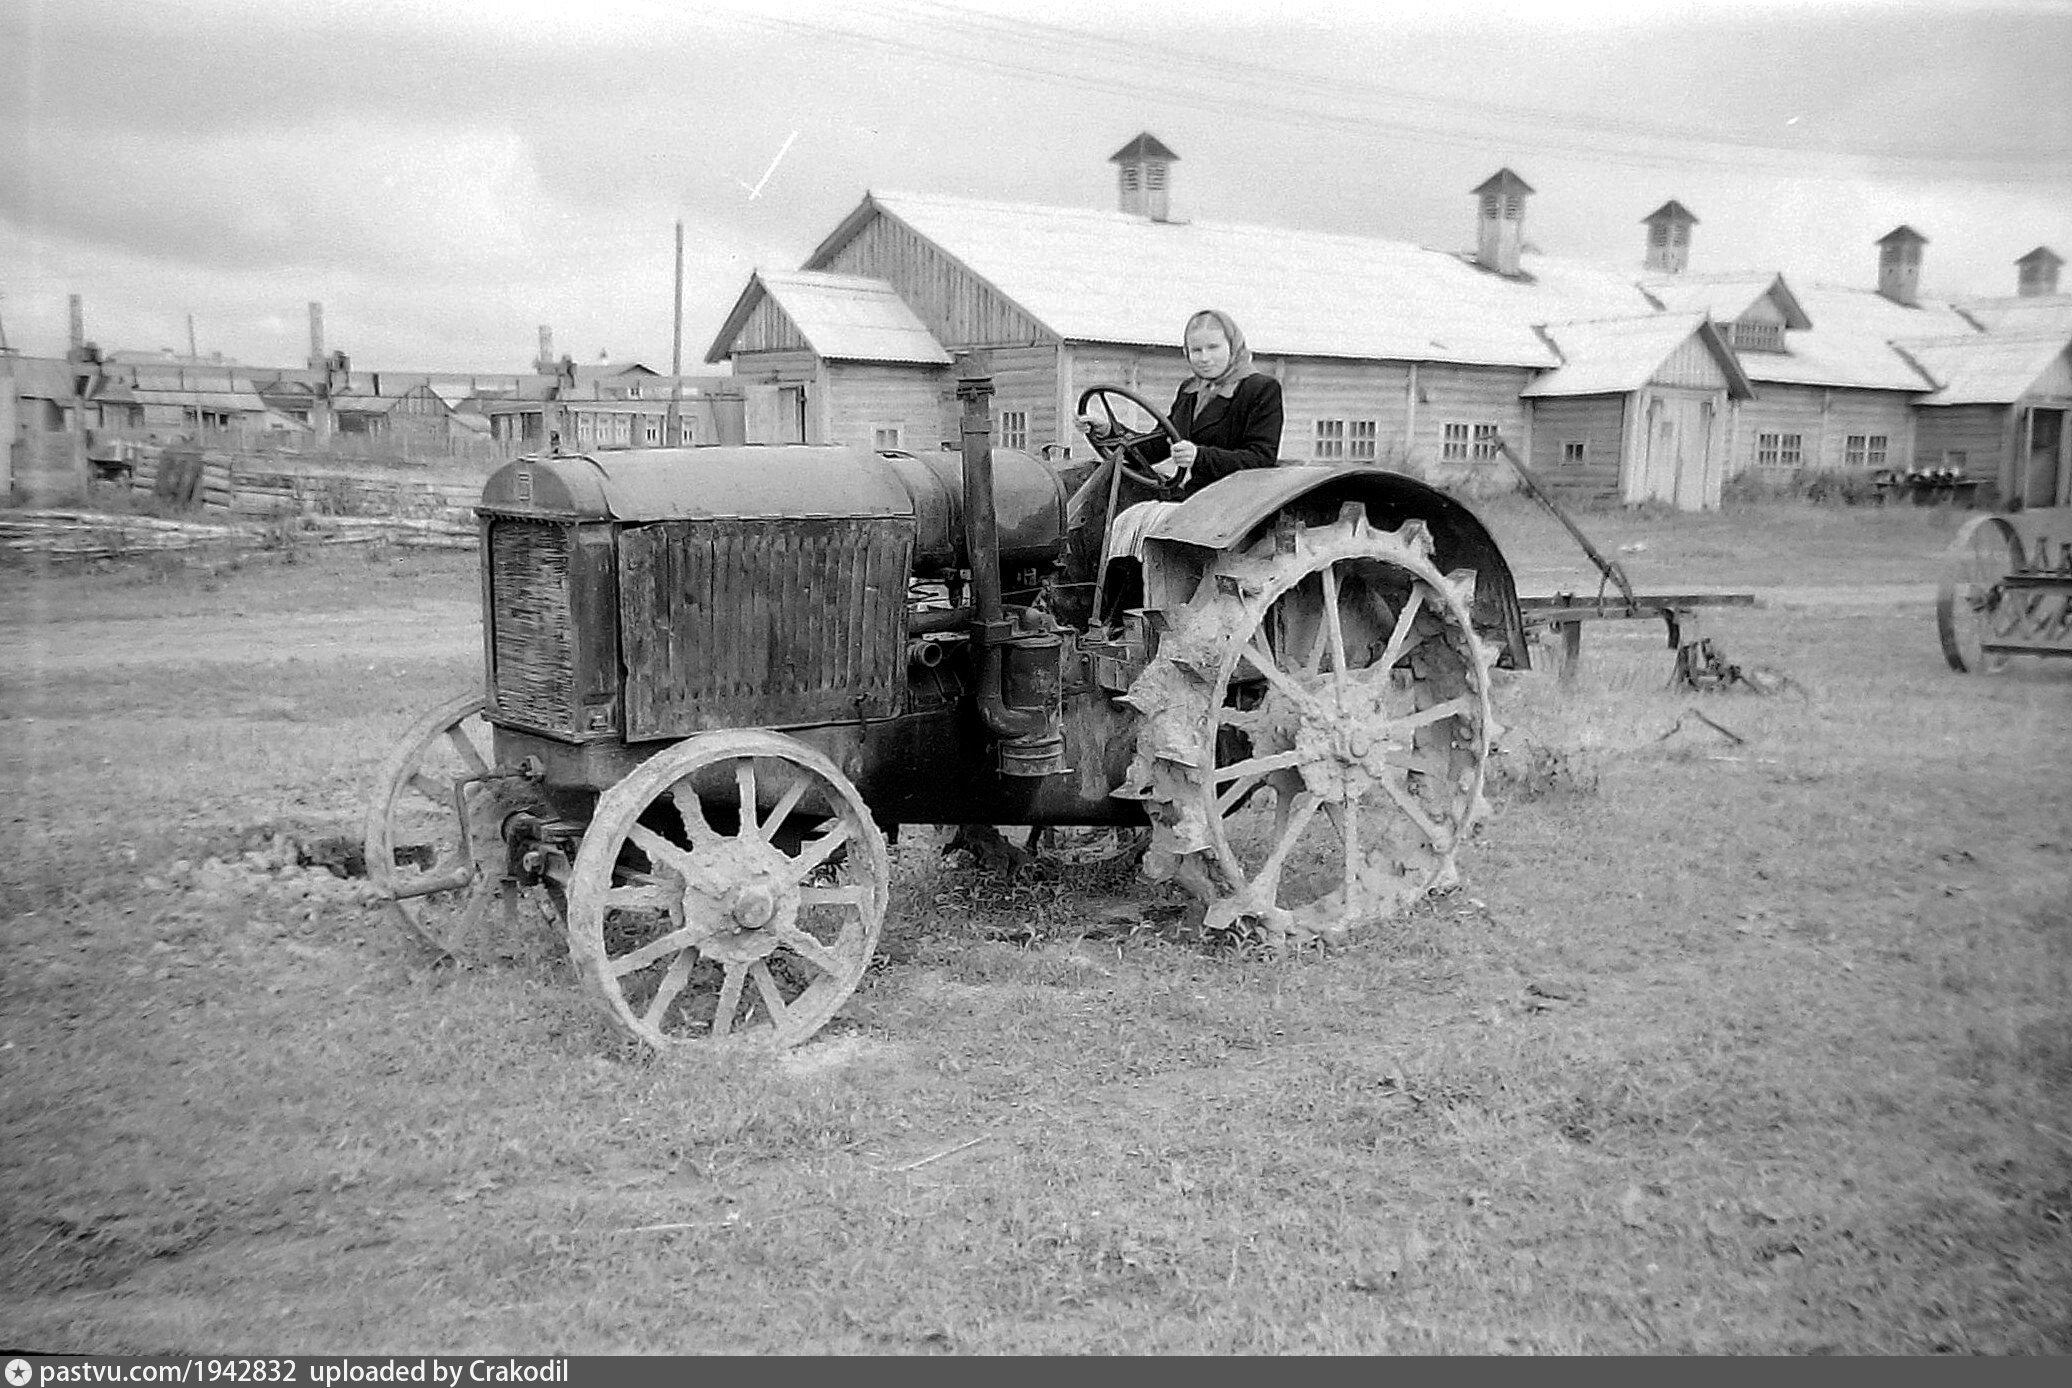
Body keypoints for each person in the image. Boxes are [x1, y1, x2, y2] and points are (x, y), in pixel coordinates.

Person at [1085, 308, 1284, 496]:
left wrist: (1199, 456)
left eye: (1213, 347)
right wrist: (1108, 431)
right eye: (1196, 350)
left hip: (1242, 504)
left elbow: (1261, 459)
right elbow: (1155, 447)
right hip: (1196, 498)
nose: (1205, 358)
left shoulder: (1260, 389)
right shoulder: (1190, 390)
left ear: (1232, 347)